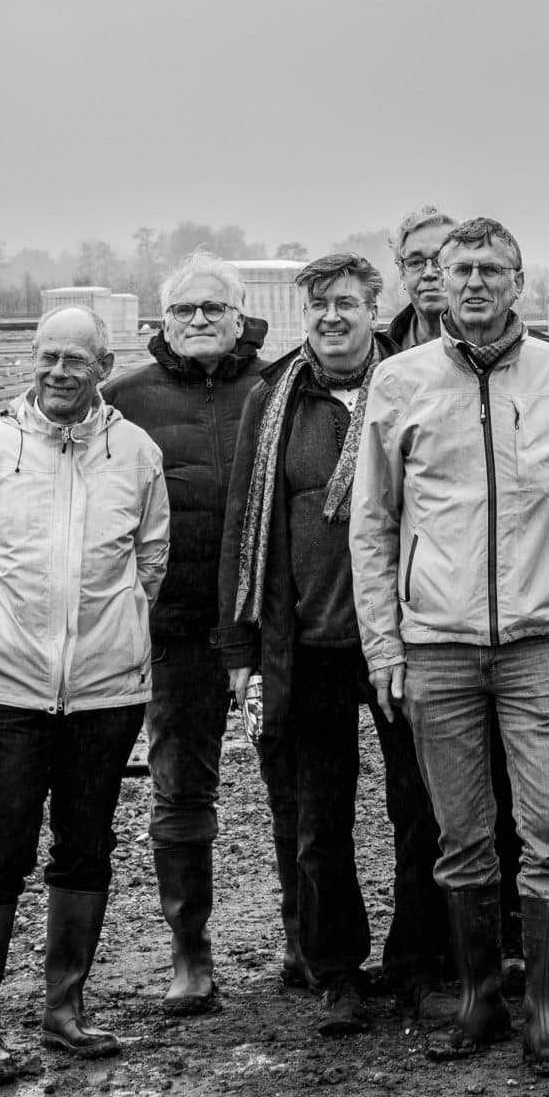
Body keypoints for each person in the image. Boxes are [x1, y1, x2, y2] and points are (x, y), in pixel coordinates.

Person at [351, 215, 549, 1077]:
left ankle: (544, 1010)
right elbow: (373, 525)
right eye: (457, 268)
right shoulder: (399, 383)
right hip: (437, 644)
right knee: (461, 833)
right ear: (436, 278)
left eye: (491, 269)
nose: (472, 282)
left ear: (519, 280)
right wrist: (384, 645)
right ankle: (478, 999)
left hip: (541, 641)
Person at [218, 252, 449, 1034]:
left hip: (405, 634)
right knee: (322, 814)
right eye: (318, 306)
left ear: (373, 306)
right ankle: (336, 968)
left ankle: (418, 962)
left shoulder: (415, 383)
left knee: (418, 806)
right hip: (310, 637)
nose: (332, 318)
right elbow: (242, 525)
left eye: (347, 303)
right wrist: (242, 650)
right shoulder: (277, 400)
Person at [0, 306, 170, 1083]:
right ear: (31, 361)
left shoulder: (135, 452)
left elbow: (151, 557)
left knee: (86, 843)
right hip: (5, 688)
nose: (59, 370)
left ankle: (64, 1008)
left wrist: (113, 632)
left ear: (104, 364)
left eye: (76, 358)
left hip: (105, 690)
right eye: (47, 356)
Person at [103, 251, 269, 1017]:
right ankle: (189, 949)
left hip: (268, 624)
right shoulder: (123, 400)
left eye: (213, 307)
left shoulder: (275, 389)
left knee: (300, 784)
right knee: (179, 789)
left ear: (241, 315)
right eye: (183, 310)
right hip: (171, 629)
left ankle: (307, 942)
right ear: (160, 322)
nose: (199, 320)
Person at [378, 203, 527, 969]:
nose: (447, 275)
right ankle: (431, 960)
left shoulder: (544, 370)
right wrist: (385, 637)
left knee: (522, 816)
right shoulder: (389, 370)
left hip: (525, 631)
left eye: (465, 261)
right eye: (428, 262)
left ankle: (512, 964)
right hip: (429, 630)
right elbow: (372, 519)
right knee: (429, 810)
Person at [381, 205, 456, 353]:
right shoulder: (380, 353)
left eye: (441, 260)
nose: (429, 273)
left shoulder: (492, 351)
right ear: (402, 273)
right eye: (415, 262)